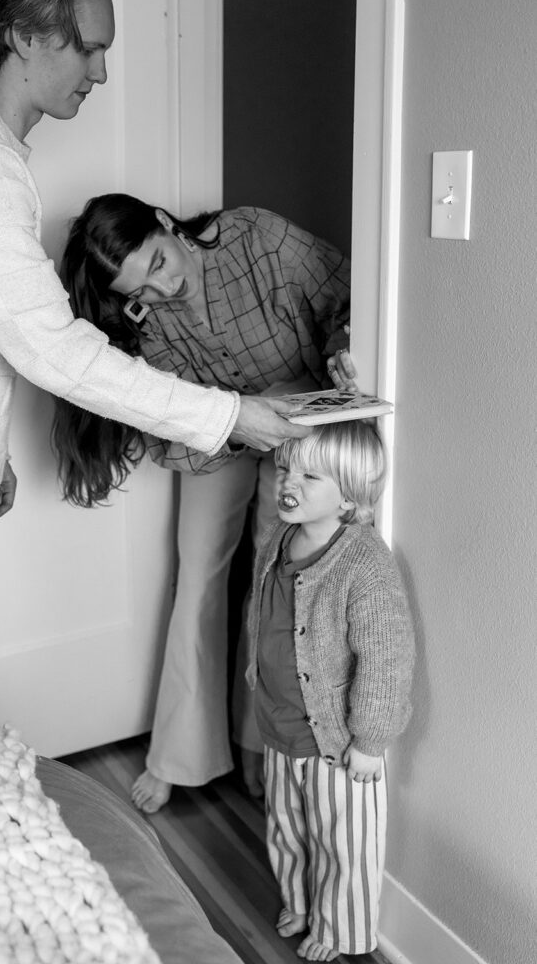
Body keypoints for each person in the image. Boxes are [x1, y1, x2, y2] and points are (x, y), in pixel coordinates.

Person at [0, 0, 313, 757]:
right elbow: (53, 350)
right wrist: (231, 415)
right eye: (89, 47)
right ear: (27, 38)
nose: (99, 73)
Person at [50, 192, 355, 812]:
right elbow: (170, 421)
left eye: (159, 263)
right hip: (212, 432)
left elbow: (342, 296)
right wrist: (231, 421)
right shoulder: (145, 316)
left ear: (166, 224)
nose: (162, 289)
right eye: (143, 289)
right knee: (198, 580)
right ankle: (179, 754)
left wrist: (342, 352)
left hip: (297, 424)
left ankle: (256, 743)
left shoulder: (259, 239)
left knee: (276, 584)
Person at [245, 421, 415, 961]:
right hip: (279, 722)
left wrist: (370, 740)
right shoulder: (278, 535)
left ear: (350, 495)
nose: (288, 483)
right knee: (287, 827)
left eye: (309, 475)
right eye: (284, 469)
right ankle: (298, 899)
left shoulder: (364, 564)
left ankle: (341, 929)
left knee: (344, 841)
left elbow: (387, 660)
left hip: (338, 743)